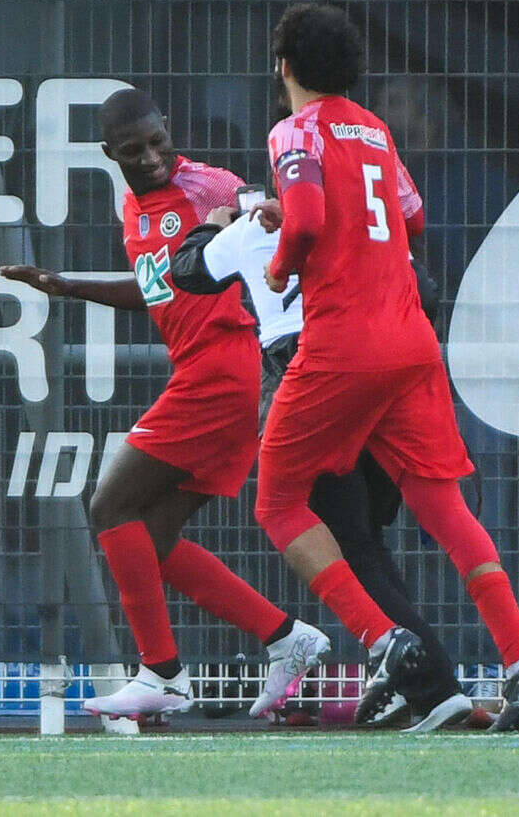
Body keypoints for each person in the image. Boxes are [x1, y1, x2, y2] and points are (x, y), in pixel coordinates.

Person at [251, 2, 519, 732]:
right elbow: (410, 217)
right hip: (412, 339)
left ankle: (385, 639)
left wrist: (281, 263)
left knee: (278, 501)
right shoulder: (376, 130)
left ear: (284, 66)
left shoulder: (295, 131)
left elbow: (308, 220)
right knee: (441, 503)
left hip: (343, 343)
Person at [0, 88, 328, 721]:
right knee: (146, 535)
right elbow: (157, 289)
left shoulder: (207, 186)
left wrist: (265, 217)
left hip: (224, 369)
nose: (151, 158)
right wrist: (65, 286)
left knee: (107, 505)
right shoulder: (134, 208)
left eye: (157, 142)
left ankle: (162, 674)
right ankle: (288, 638)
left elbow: (273, 215)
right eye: (133, 150)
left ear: (167, 129)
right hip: (208, 375)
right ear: (109, 154)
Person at [171, 191, 473, 732]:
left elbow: (188, 272)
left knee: (308, 524)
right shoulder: (362, 225)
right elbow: (425, 292)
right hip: (384, 368)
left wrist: (212, 226)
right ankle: (428, 682)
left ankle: (421, 675)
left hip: (312, 374)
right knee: (369, 538)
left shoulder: (250, 227)